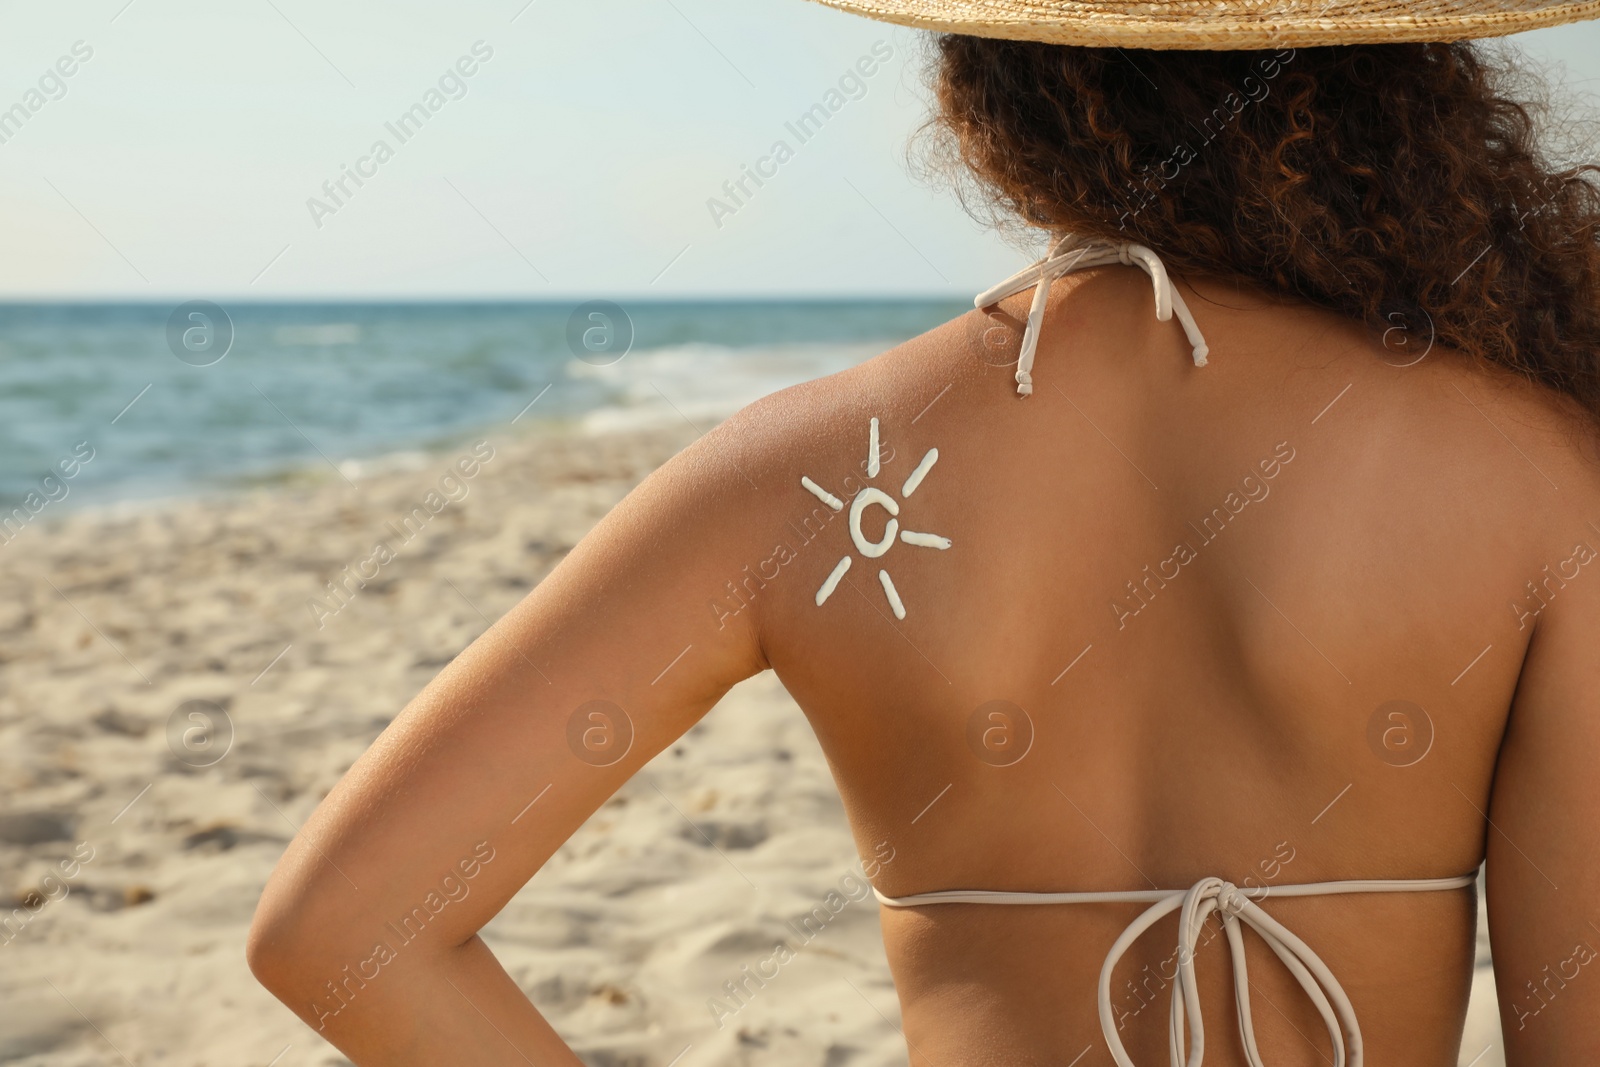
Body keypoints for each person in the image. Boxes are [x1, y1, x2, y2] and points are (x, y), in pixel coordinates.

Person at [247, 1, 1600, 1063]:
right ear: (1397, 87)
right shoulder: (1537, 475)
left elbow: (341, 929)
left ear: (983, 93)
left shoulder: (798, 473)